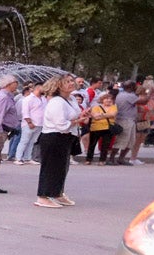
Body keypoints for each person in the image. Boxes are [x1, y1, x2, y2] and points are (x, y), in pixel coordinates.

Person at [35, 74, 86, 208]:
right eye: (67, 82)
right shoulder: (56, 102)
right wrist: (78, 121)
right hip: (54, 136)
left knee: (62, 168)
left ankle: (57, 193)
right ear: (58, 85)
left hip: (66, 137)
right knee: (51, 168)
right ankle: (43, 196)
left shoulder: (71, 99)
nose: (71, 83)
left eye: (71, 81)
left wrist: (83, 115)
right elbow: (61, 124)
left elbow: (74, 116)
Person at [111, 80, 147, 165]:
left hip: (129, 120)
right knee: (122, 140)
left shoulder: (122, 94)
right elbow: (144, 101)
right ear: (131, 87)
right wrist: (148, 93)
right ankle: (112, 158)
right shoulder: (128, 95)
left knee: (130, 141)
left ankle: (121, 158)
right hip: (125, 120)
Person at [14, 82, 45, 164]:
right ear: (38, 87)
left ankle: (28, 157)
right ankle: (18, 158)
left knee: (32, 141)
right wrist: (29, 122)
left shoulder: (43, 99)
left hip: (40, 124)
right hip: (29, 124)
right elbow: (25, 112)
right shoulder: (28, 99)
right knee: (24, 141)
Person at [85, 91, 117, 164]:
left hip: (107, 128)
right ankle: (88, 160)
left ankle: (102, 160)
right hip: (95, 128)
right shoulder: (96, 107)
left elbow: (113, 114)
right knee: (92, 145)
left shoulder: (113, 107)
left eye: (110, 99)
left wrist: (101, 115)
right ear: (102, 99)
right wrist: (106, 114)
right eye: (106, 98)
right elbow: (95, 116)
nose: (108, 100)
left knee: (105, 146)